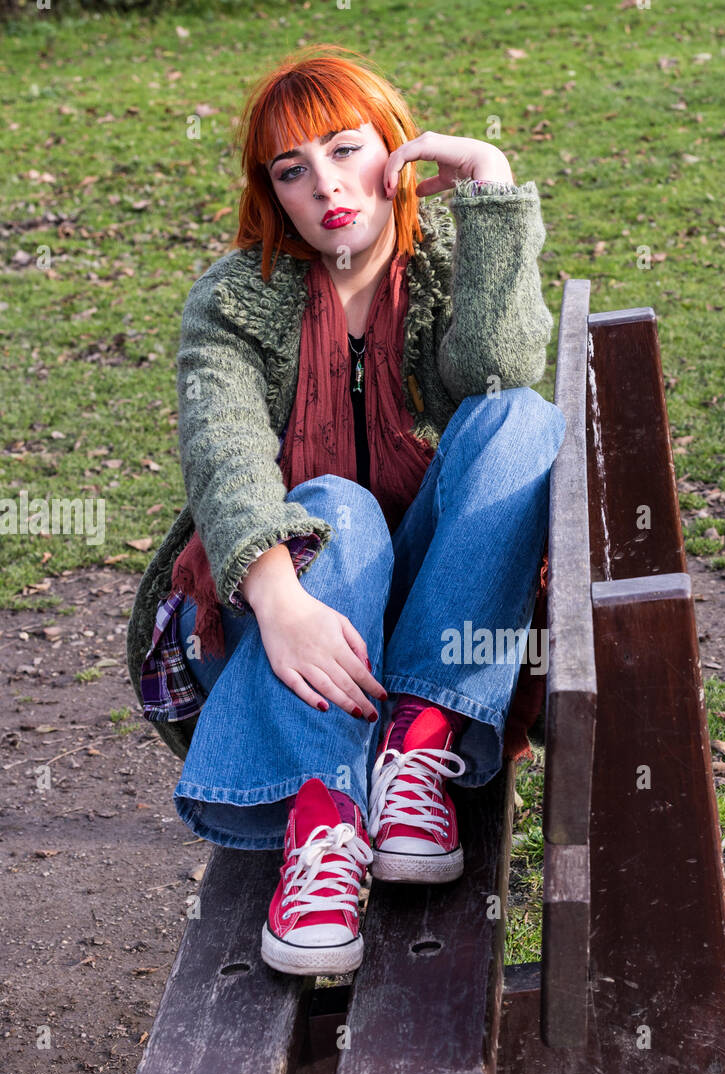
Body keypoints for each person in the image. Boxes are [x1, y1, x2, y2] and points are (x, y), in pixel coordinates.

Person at [125, 43, 566, 978]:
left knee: (518, 417)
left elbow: (500, 372)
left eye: (344, 147)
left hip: (435, 627)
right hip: (277, 617)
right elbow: (227, 456)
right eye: (292, 169)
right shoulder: (236, 302)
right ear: (271, 193)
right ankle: (326, 824)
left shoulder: (444, 262)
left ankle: (416, 748)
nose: (325, 183)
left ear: (397, 151)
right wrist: (279, 600)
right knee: (335, 506)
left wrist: (489, 184)